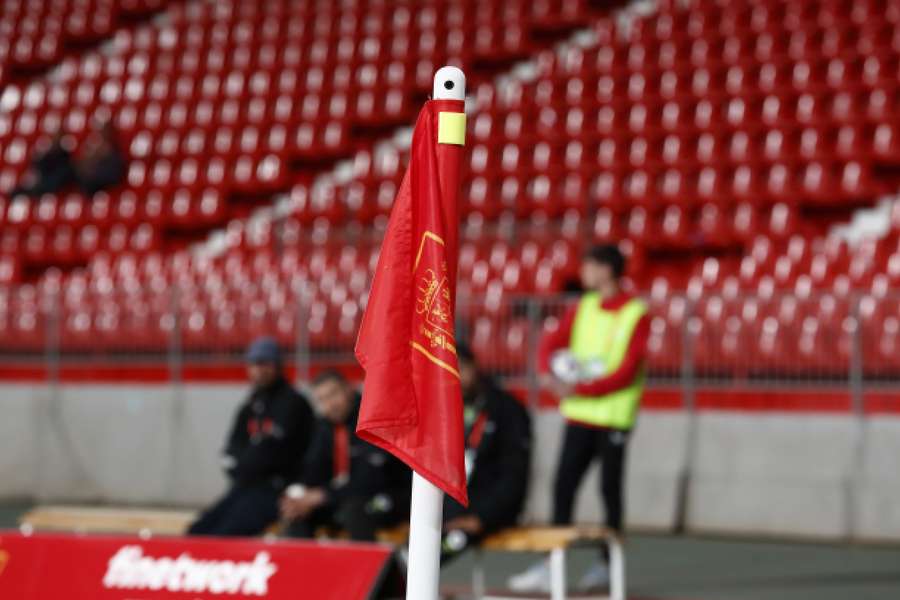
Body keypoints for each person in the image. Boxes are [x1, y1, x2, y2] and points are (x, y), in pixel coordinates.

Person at [509, 244, 650, 592]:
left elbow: (628, 370)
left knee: (609, 490)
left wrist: (579, 390)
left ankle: (607, 565)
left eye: (588, 265)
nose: (583, 273)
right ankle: (550, 564)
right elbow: (550, 342)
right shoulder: (583, 306)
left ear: (606, 270)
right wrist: (547, 374)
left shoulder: (636, 313)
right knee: (563, 486)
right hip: (580, 416)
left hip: (613, 417)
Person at [188, 337, 314, 537]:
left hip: (277, 491)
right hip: (245, 486)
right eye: (254, 363)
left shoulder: (294, 403)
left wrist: (252, 461)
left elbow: (278, 452)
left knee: (226, 534)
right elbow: (233, 447)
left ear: (277, 365)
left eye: (265, 363)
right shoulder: (250, 404)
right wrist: (242, 467)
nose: (259, 369)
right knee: (197, 531)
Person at [280, 370, 411, 541]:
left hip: (386, 498)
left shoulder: (372, 420)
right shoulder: (324, 427)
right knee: (297, 513)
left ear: (348, 389)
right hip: (341, 498)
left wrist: (322, 496)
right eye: (322, 399)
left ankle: (371, 567)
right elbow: (313, 469)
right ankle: (304, 565)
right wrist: (298, 496)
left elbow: (368, 481)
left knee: (354, 511)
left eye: (333, 394)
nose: (330, 404)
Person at [441, 343, 532, 562]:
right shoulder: (447, 407)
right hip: (453, 512)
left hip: (490, 514)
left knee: (429, 554)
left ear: (474, 366)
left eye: (460, 367)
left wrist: (482, 517)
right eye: (448, 370)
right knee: (409, 553)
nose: (456, 375)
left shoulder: (507, 410)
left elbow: (515, 474)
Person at [9, 130, 78, 197]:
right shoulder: (46, 157)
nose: (54, 141)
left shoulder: (66, 162)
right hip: (39, 186)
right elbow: (37, 169)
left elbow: (55, 182)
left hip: (48, 189)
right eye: (53, 138)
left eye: (57, 139)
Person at [74, 117, 125, 195]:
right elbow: (81, 169)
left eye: (104, 130)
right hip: (90, 186)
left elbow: (114, 175)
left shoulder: (114, 152)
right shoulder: (93, 149)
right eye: (100, 131)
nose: (101, 133)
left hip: (106, 184)